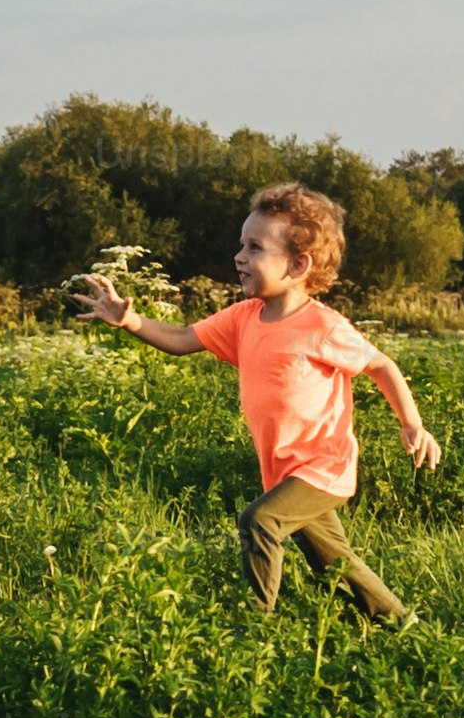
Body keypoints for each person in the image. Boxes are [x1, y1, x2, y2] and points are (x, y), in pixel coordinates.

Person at [75, 183, 440, 620]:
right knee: (334, 562)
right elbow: (181, 338)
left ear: (297, 264)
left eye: (254, 247)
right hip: (283, 469)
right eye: (241, 245)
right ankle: (400, 623)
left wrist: (412, 423)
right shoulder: (243, 317)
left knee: (259, 521)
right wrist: (129, 320)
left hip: (323, 467)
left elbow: (381, 365)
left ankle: (256, 624)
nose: (239, 257)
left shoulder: (322, 326)